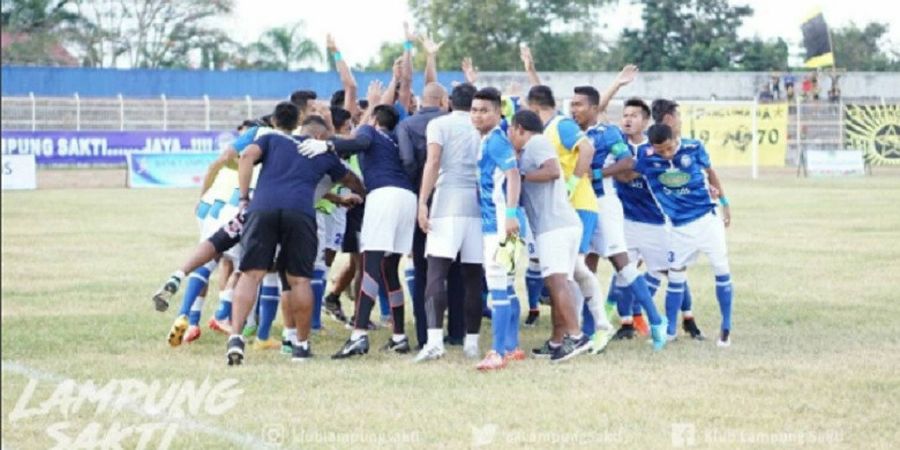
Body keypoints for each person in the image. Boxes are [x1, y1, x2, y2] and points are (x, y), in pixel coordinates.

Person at [226, 105, 364, 365]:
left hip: (263, 208)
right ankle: (300, 345)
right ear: (321, 137)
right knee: (299, 280)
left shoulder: (271, 139)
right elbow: (352, 181)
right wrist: (360, 194)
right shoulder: (323, 154)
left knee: (251, 274)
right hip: (300, 213)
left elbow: (245, 157)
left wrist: (244, 197)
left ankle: (235, 336)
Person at [300, 102, 418, 358]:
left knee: (370, 266)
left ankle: (358, 335)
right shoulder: (397, 139)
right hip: (407, 198)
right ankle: (399, 336)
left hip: (383, 195)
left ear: (374, 120)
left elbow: (360, 142)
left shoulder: (369, 131)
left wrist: (327, 144)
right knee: (389, 269)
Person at [569, 85, 667, 353]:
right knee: (584, 267)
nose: (573, 109)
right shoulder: (572, 132)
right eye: (572, 104)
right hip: (580, 206)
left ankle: (656, 322)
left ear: (593, 108)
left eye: (578, 105)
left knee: (623, 265)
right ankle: (590, 331)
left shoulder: (608, 133)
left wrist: (597, 175)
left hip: (604, 205)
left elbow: (627, 162)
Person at [524, 83, 613, 355]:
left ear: (535, 107)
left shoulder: (560, 125)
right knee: (569, 271)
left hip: (579, 205)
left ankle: (589, 329)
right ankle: (562, 337)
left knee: (571, 271)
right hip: (560, 209)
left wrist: (573, 183)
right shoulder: (547, 129)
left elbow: (586, 150)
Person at [632, 119, 734, 347]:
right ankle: (670, 330)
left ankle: (726, 327)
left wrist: (725, 202)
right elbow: (628, 174)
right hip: (677, 227)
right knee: (676, 275)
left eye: (669, 148)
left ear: (675, 139)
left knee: (720, 268)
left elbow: (711, 173)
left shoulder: (693, 148)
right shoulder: (646, 158)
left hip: (707, 220)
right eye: (661, 151)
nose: (666, 154)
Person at [613, 98, 703, 341]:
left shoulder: (655, 148)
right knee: (622, 273)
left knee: (672, 272)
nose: (628, 119)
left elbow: (632, 174)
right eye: (625, 115)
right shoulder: (617, 142)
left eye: (634, 115)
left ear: (645, 121)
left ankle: (688, 318)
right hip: (624, 221)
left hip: (655, 223)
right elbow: (623, 176)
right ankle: (627, 323)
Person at [508, 109, 592, 362]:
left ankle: (577, 337)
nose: (510, 136)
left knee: (557, 283)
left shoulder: (536, 142)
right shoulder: (530, 148)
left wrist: (521, 176)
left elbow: (553, 170)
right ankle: (557, 340)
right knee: (557, 284)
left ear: (520, 128)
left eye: (511, 131)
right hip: (557, 225)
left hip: (555, 226)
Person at [413, 82, 487, 363]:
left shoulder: (439, 124)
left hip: (447, 201)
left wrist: (422, 201)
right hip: (478, 204)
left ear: (448, 101)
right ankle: (471, 342)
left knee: (436, 271)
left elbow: (433, 162)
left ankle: (434, 341)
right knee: (472, 276)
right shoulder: (484, 127)